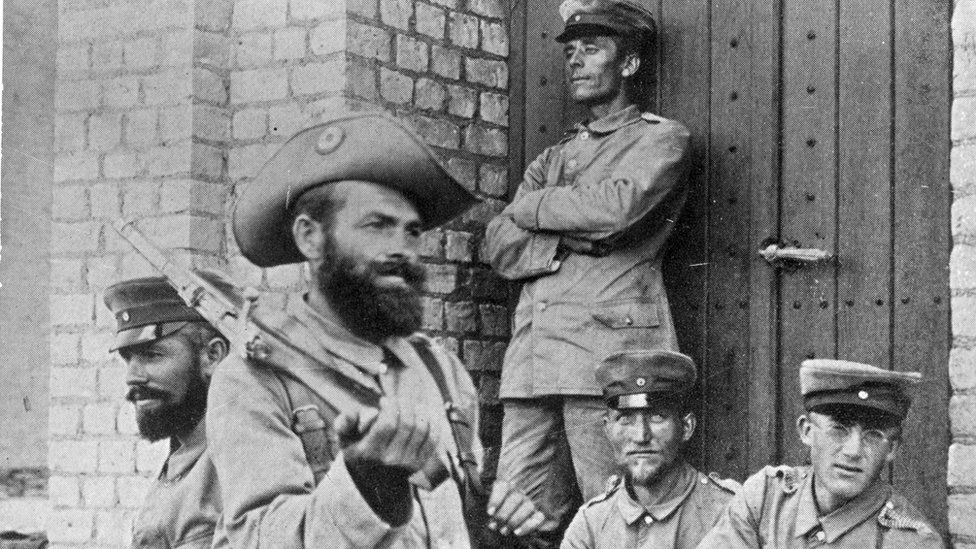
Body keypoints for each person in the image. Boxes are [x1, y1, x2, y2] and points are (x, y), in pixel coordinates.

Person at [208, 111, 548, 549]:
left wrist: (495, 526)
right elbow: (255, 540)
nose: (401, 251)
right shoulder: (254, 379)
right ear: (310, 238)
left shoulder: (441, 370)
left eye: (411, 232)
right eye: (377, 226)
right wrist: (365, 487)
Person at [484, 0, 692, 536]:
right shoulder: (552, 159)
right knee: (518, 524)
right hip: (532, 366)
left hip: (605, 363)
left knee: (620, 517)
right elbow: (499, 242)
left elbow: (616, 212)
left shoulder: (660, 139)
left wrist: (532, 210)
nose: (575, 61)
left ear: (628, 64)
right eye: (570, 51)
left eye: (591, 49)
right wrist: (560, 242)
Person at [696, 359, 944, 548]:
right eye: (839, 428)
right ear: (806, 431)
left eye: (873, 434)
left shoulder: (909, 541)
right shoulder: (766, 499)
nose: (853, 451)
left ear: (891, 448)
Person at [561, 350, 738, 549]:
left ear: (686, 427)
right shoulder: (591, 523)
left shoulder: (729, 512)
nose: (641, 436)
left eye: (657, 417)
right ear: (608, 430)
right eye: (625, 419)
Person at [103, 276, 229, 549]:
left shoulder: (237, 460)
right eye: (128, 359)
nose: (132, 377)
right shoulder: (184, 456)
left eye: (152, 355)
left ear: (212, 356)